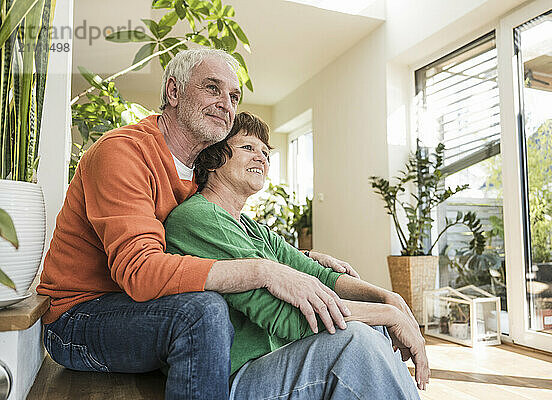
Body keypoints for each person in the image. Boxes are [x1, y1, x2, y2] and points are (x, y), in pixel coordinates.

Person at [37, 48, 360, 400]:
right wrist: (264, 271)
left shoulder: (199, 177)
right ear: (173, 92)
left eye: (233, 95)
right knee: (203, 311)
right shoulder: (122, 153)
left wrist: (303, 259)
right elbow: (140, 271)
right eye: (212, 88)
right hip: (78, 319)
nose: (226, 103)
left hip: (142, 309)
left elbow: (230, 235)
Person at [164, 112, 430, 399]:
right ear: (214, 157)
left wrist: (388, 299)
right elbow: (286, 317)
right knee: (356, 341)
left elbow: (319, 275)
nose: (261, 158)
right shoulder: (198, 218)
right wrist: (388, 314)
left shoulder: (254, 229)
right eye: (248, 148)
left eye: (265, 152)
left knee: (374, 325)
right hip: (238, 378)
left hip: (277, 360)